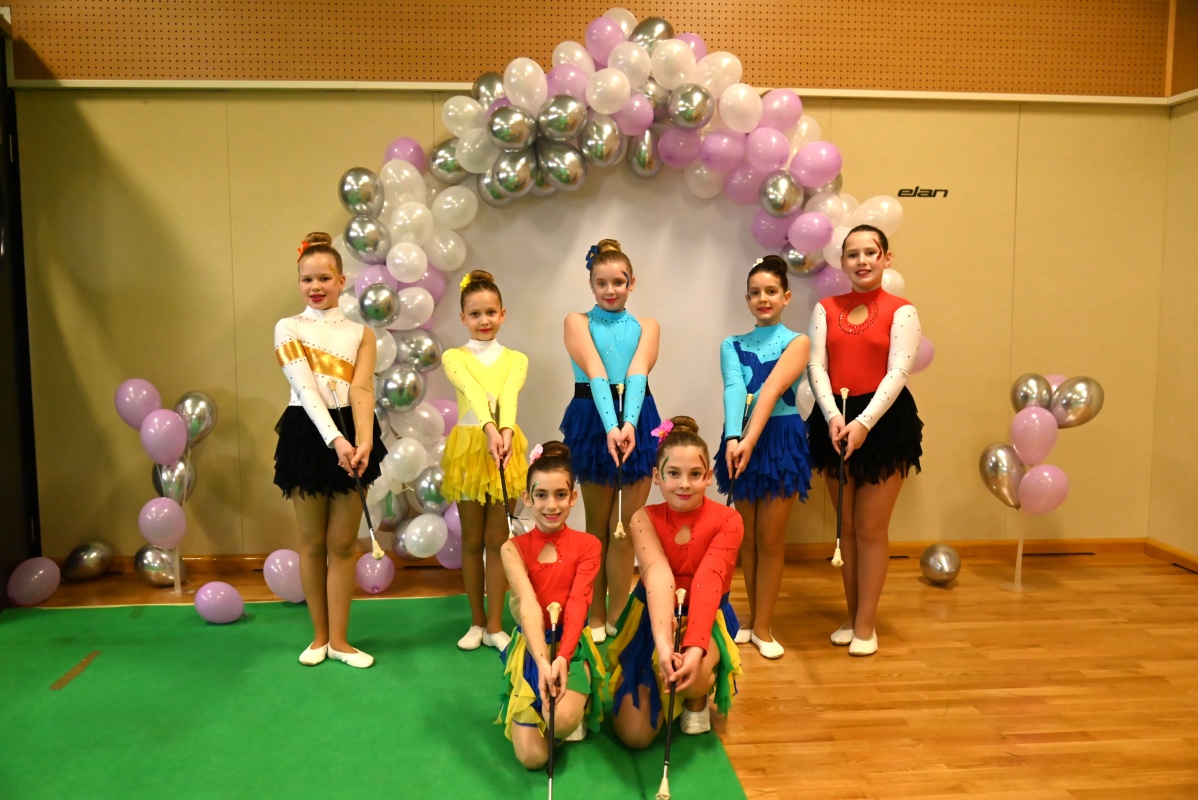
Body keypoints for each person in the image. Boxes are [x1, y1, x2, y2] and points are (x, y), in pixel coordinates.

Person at [806, 224, 923, 657]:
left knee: (871, 527)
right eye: (853, 254)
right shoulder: (825, 308)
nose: (862, 261)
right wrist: (835, 417)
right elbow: (816, 366)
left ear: (886, 258)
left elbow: (899, 371)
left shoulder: (902, 311)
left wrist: (864, 423)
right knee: (847, 527)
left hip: (884, 423)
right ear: (842, 262)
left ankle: (867, 625)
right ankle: (852, 616)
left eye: (871, 252)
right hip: (835, 421)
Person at [273, 231, 386, 669]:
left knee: (342, 544)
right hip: (308, 432)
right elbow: (304, 388)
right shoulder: (289, 327)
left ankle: (340, 640)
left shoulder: (361, 333)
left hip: (353, 432)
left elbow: (362, 388)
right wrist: (336, 440)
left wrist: (364, 441)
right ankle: (319, 637)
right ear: (299, 282)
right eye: (307, 279)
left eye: (324, 278)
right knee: (312, 542)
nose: (315, 286)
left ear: (342, 281)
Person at [607, 417, 744, 748]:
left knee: (693, 675)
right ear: (657, 476)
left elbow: (707, 581)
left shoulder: (729, 520)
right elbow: (657, 574)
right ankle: (663, 677)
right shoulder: (643, 517)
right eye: (673, 473)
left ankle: (696, 695)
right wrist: (664, 645)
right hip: (655, 617)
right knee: (634, 735)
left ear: (709, 477)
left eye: (695, 474)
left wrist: (694, 649)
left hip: (704, 616)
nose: (684, 484)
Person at [560, 239, 661, 643]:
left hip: (638, 416)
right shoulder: (577, 321)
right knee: (598, 527)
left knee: (627, 527)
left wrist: (629, 424)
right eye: (601, 283)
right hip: (592, 418)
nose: (610, 290)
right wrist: (611, 427)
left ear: (631, 282)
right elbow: (596, 371)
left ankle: (618, 611)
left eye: (618, 282)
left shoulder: (647, 326)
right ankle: (595, 613)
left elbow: (638, 373)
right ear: (591, 285)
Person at [714, 255, 812, 660]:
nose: (763, 298)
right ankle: (751, 621)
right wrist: (733, 437)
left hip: (780, 440)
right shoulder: (732, 344)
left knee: (771, 539)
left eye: (771, 291)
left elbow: (770, 390)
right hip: (741, 440)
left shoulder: (798, 341)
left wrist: (748, 440)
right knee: (748, 539)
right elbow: (735, 388)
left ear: (786, 296)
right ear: (747, 299)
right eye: (755, 293)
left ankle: (765, 626)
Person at [496, 441, 606, 769]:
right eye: (541, 495)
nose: (551, 505)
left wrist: (562, 657)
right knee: (533, 759)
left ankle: (575, 708)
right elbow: (528, 605)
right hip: (533, 646)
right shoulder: (512, 548)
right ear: (527, 498)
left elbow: (577, 604)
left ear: (573, 497)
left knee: (559, 721)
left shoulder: (588, 545)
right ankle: (540, 704)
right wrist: (544, 663)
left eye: (560, 494)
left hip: (569, 647)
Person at [441, 269, 529, 652]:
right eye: (475, 314)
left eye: (491, 312)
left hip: (505, 446)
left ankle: (495, 624)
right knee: (472, 539)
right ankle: (476, 621)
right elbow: (474, 393)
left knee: (499, 539)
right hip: (469, 449)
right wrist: (490, 429)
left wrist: (505, 432)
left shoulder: (517, 359)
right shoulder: (453, 356)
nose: (483, 320)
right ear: (463, 318)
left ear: (503, 314)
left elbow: (508, 395)